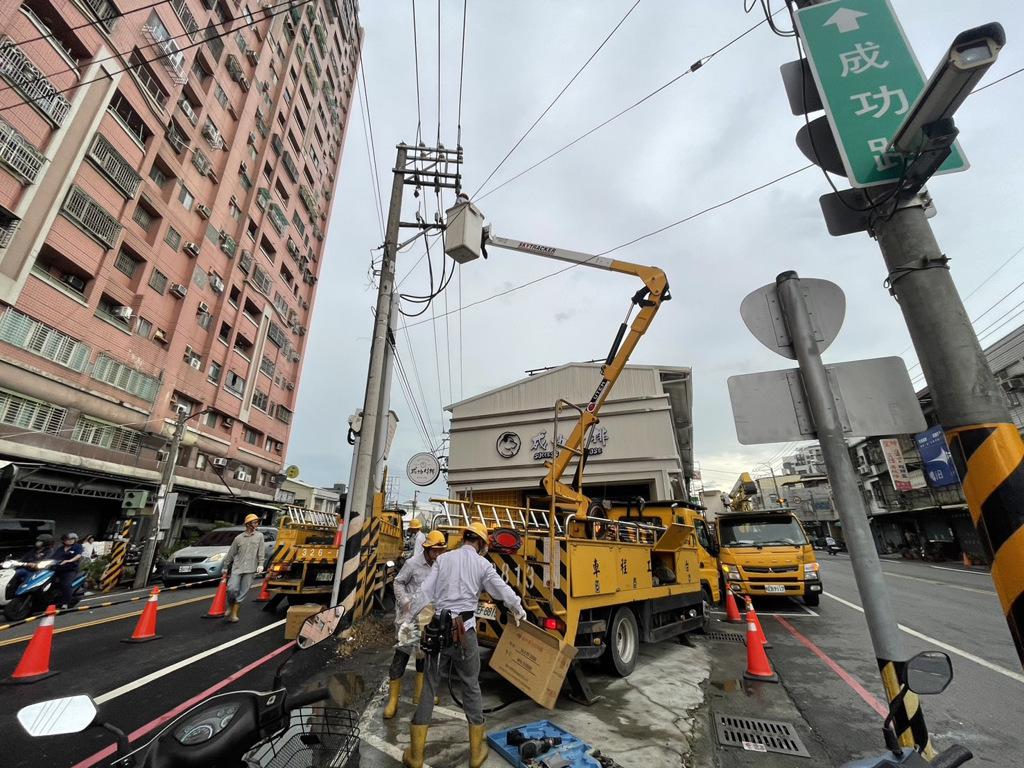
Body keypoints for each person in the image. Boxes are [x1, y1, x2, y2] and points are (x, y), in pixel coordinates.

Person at [402, 522, 527, 768]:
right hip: (465, 632)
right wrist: (518, 609)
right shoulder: (483, 564)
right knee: (471, 686)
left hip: (438, 631)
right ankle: (475, 754)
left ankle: (416, 756)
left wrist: (407, 619)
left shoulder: (444, 560)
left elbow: (424, 593)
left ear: (464, 538)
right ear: (480, 543)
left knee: (429, 686)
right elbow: (503, 591)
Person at [383, 530, 447, 720]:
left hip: (429, 618)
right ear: (427, 548)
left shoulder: (440, 565)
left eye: (440, 550)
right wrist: (405, 601)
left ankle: (419, 695)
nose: (437, 554)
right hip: (411, 618)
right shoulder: (412, 564)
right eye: (435, 550)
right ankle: (392, 700)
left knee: (424, 655)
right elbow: (398, 583)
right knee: (401, 655)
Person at [223, 514, 264, 623]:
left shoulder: (259, 536)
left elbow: (261, 552)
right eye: (254, 522)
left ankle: (234, 613)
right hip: (237, 568)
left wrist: (261, 564)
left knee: (243, 591)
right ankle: (230, 605)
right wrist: (225, 566)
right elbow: (231, 553)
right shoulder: (238, 538)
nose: (256, 524)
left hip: (250, 568)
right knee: (232, 589)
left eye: (257, 522)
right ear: (248, 524)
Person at [52, 532, 84, 608]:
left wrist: (69, 560)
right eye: (67, 539)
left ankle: (65, 602)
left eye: (71, 539)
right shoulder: (60, 548)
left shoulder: (78, 547)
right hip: (58, 569)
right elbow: (52, 557)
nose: (69, 541)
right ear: (63, 540)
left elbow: (78, 555)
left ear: (75, 540)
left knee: (65, 584)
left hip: (70, 569)